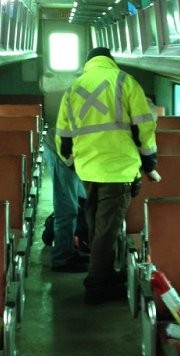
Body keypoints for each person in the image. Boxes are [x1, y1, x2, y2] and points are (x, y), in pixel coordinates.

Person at [56, 46, 158, 304]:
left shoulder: (74, 87)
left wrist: (69, 161)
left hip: (88, 169)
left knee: (96, 226)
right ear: (110, 61)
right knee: (106, 231)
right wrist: (149, 162)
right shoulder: (125, 81)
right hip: (118, 168)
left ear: (89, 62)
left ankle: (104, 274)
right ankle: (96, 286)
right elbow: (144, 125)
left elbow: (63, 133)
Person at [42, 119, 89, 272]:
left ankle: (69, 251)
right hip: (62, 150)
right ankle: (62, 259)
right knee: (67, 208)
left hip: (73, 151)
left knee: (74, 203)